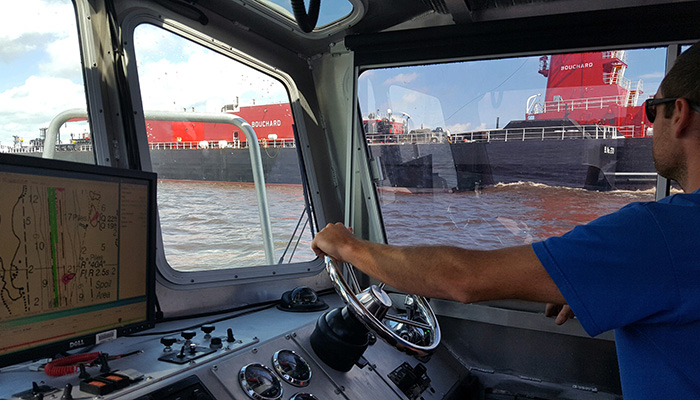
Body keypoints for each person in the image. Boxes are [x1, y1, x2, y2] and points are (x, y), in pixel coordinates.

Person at [311, 42, 700, 399]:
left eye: (652, 109)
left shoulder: (660, 234)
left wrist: (348, 246)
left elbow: (464, 277)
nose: (648, 125)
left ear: (678, 114)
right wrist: (588, 284)